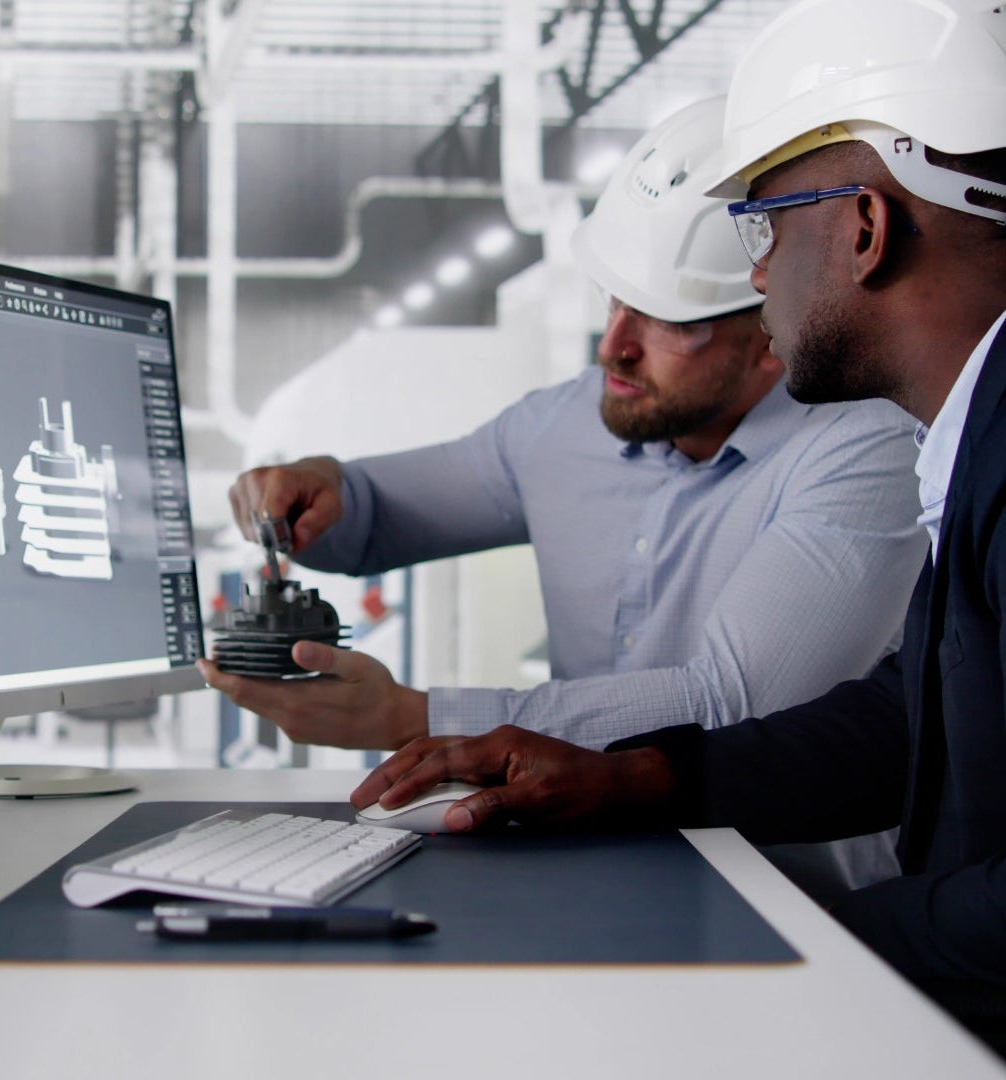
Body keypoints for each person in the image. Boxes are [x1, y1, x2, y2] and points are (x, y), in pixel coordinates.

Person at [351, 0, 1006, 1039]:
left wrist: (811, 962)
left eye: (767, 225)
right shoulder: (971, 445)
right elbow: (904, 724)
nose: (757, 272)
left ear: (865, 231)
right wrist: (631, 778)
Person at [198, 96, 928, 893]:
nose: (614, 345)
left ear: (772, 333)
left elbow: (734, 701)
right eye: (614, 300)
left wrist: (416, 718)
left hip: (797, 901)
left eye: (667, 324)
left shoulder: (868, 447)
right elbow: (372, 510)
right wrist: (319, 491)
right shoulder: (567, 424)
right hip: (598, 862)